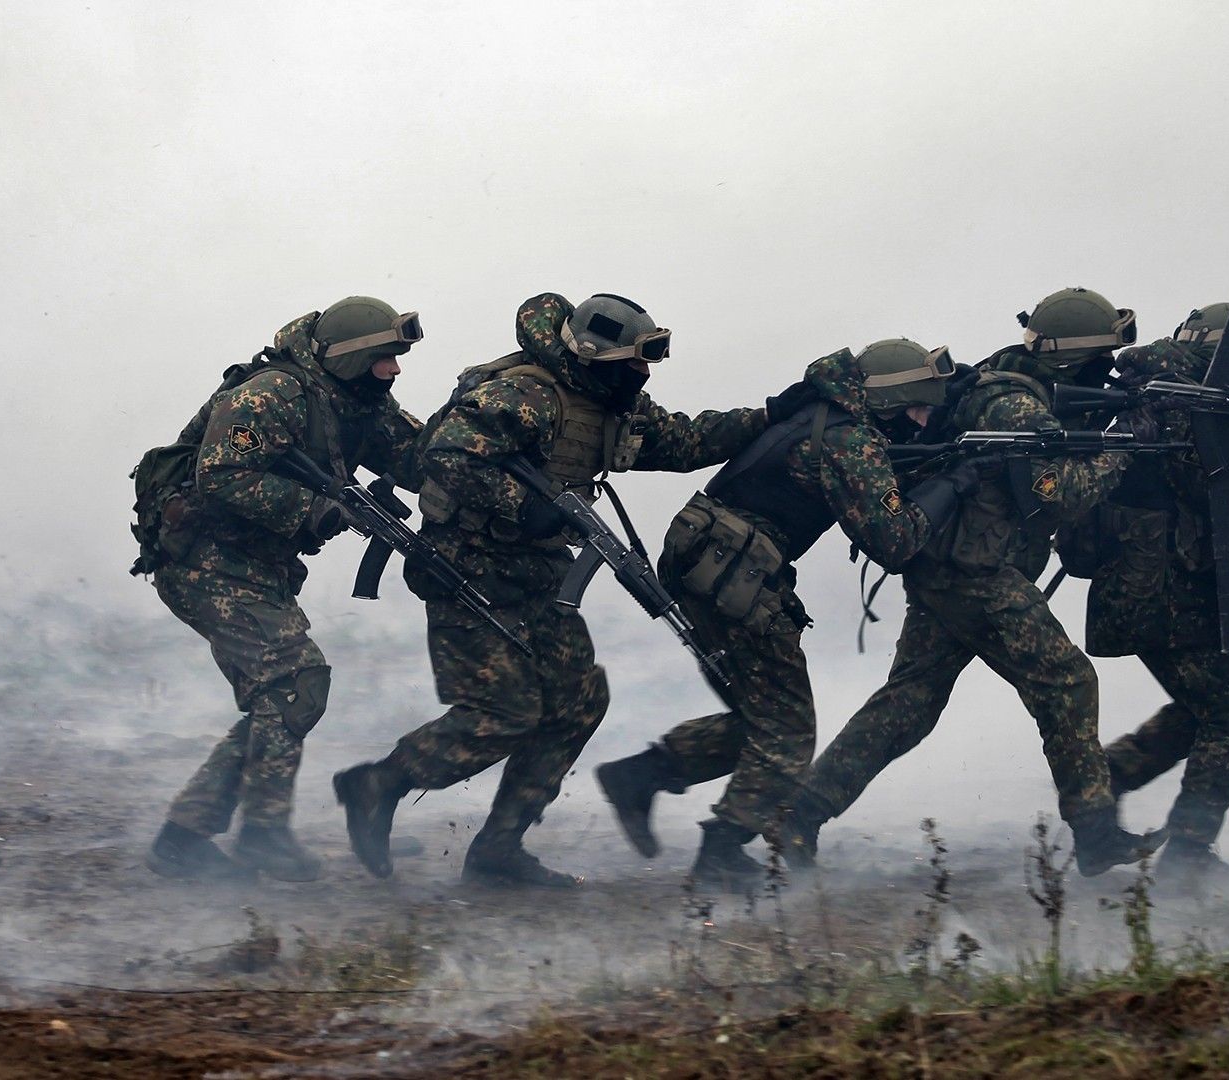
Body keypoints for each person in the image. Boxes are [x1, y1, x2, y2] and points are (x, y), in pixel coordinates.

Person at [332, 292, 767, 889]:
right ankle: (378, 783)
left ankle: (498, 850)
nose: (641, 375)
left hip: (538, 575)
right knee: (504, 712)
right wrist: (524, 505)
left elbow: (686, 442)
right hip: (468, 570)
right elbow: (444, 457)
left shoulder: (609, 401)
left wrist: (771, 417)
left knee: (578, 700)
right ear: (591, 356)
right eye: (630, 363)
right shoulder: (523, 394)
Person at [780, 288, 1163, 876]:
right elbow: (1058, 495)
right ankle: (1095, 835)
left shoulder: (1010, 381)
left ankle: (798, 816)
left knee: (909, 704)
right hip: (977, 574)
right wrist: (1124, 446)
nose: (1106, 366)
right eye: (1100, 355)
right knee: (1067, 682)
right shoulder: (1014, 405)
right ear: (1072, 357)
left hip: (949, 567)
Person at [595, 339, 984, 891]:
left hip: (706, 559)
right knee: (788, 731)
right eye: (919, 407)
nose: (924, 420)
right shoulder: (851, 442)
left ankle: (642, 775)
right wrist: (953, 482)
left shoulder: (822, 412)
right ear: (893, 400)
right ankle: (722, 851)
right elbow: (895, 542)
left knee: (760, 718)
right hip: (738, 572)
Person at [137, 297, 427, 883]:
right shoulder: (273, 394)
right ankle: (261, 834)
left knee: (285, 695)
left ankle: (186, 836)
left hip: (253, 566)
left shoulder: (359, 403)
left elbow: (419, 459)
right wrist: (315, 508)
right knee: (295, 682)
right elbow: (219, 475)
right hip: (204, 561)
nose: (394, 370)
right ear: (351, 359)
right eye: (384, 358)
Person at [1087, 303, 1229, 889]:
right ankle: (1187, 855)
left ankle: (1100, 784)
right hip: (1162, 592)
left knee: (1204, 710)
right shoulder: (1180, 400)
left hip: (1152, 587)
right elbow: (1208, 484)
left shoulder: (1158, 390)